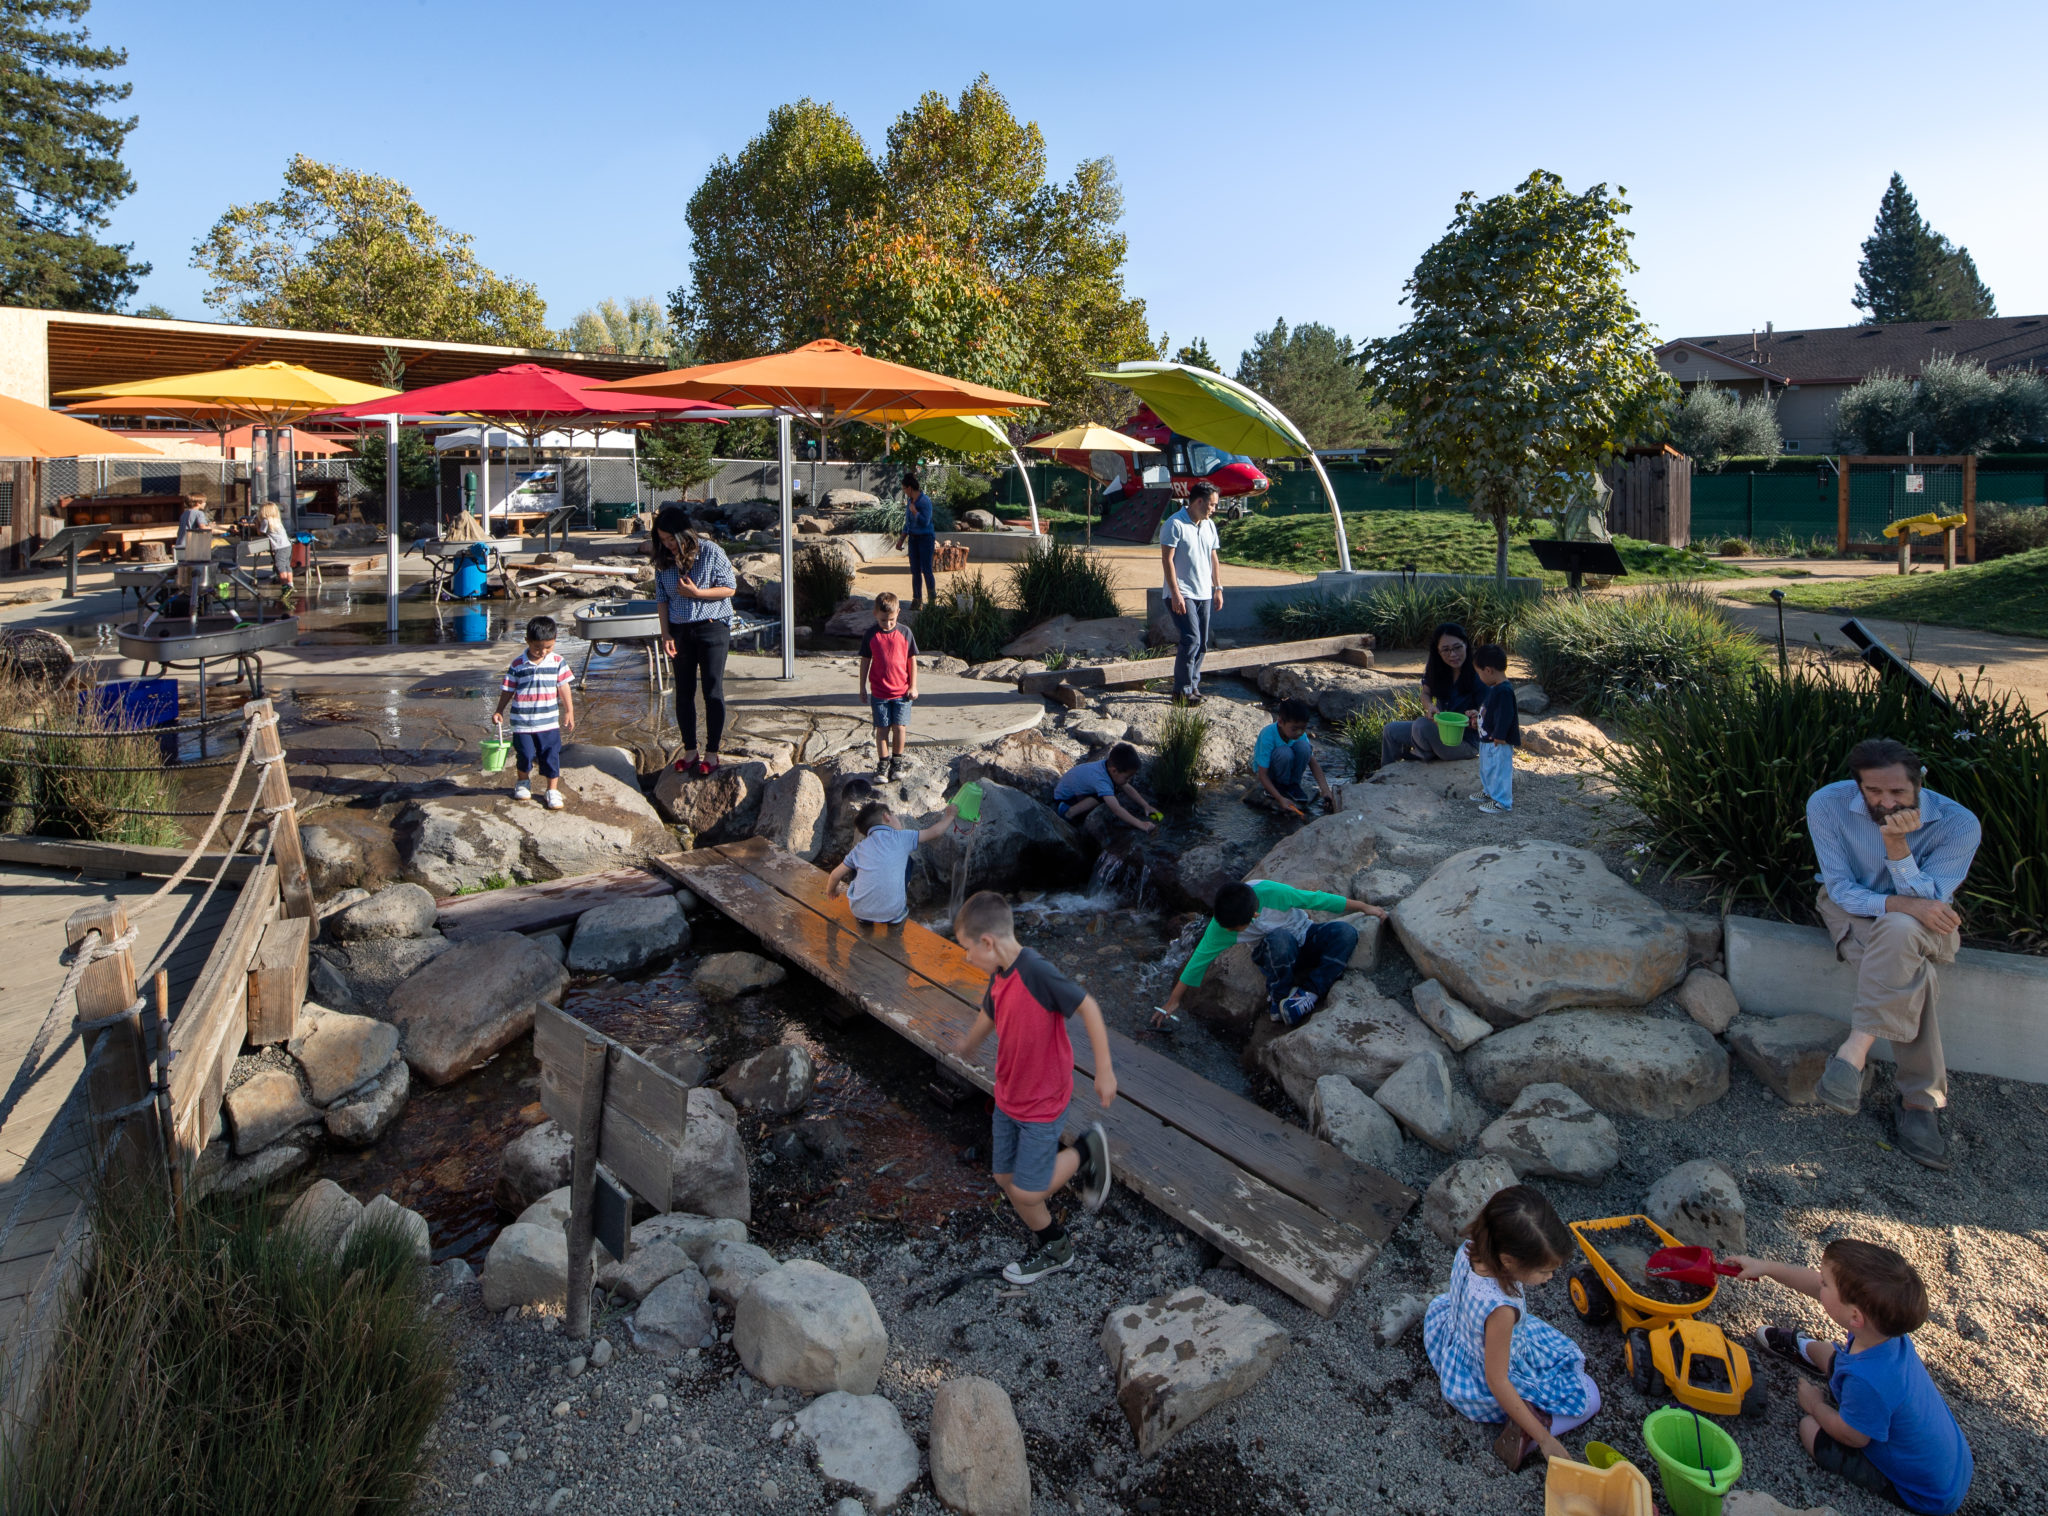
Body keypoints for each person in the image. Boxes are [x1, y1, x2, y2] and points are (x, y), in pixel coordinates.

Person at [1805, 738, 1981, 1170]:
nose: (1885, 802)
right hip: (1854, 911)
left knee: (1902, 931)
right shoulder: (1828, 804)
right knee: (1910, 971)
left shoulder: (1959, 824)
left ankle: (1852, 1054)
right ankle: (1920, 1104)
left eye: (1898, 793)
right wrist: (1901, 905)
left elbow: (1932, 903)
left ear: (1919, 784)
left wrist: (1897, 845)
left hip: (1928, 926)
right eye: (1873, 792)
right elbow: (1842, 888)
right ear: (1857, 785)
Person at [1728, 1240, 1972, 1514]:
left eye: (1826, 1284)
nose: (1819, 1283)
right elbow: (1815, 1285)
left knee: (1809, 1427)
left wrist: (1815, 1405)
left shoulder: (1868, 1381)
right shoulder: (1884, 1333)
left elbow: (1854, 1437)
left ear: (1855, 1316)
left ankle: (1821, 1400)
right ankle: (1806, 1349)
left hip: (1926, 1494)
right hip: (1955, 1464)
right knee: (1835, 1357)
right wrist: (1768, 1267)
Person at [951, 890, 1115, 1285]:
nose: (966, 957)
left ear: (988, 942)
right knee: (1004, 1179)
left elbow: (1089, 1007)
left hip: (1043, 1099)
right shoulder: (1000, 973)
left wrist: (1104, 1071)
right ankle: (1054, 1246)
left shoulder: (1036, 971)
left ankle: (1086, 1150)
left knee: (1027, 1192)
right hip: (1009, 1094)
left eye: (967, 949)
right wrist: (968, 1045)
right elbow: (990, 1011)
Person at [1423, 1185, 1600, 1473]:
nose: (1550, 1277)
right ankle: (1527, 1433)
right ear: (1509, 1261)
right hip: (1482, 1379)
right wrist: (1545, 1440)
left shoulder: (1475, 1246)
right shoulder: (1502, 1311)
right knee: (1590, 1396)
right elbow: (1497, 1380)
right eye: (1543, 1271)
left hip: (1455, 1335)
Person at [1151, 878, 1387, 1031]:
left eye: (1235, 929)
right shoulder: (1222, 925)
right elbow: (1198, 962)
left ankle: (1309, 994)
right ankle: (1279, 998)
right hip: (1275, 953)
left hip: (1305, 936)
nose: (1230, 932)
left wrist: (1364, 907)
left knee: (1345, 933)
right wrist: (1173, 1001)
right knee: (1279, 939)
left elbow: (1318, 899)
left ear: (1252, 915)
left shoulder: (1275, 893)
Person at [653, 505, 737, 778]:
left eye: (671, 539)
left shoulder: (711, 551)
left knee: (712, 691)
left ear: (684, 533)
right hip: (679, 631)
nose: (668, 545)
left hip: (711, 627)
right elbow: (662, 600)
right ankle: (690, 750)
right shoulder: (664, 560)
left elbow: (729, 587)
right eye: (662, 540)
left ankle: (712, 753)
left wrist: (697, 593)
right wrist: (665, 634)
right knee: (683, 692)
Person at [826, 799, 959, 927]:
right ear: (887, 817)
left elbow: (835, 875)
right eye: (894, 815)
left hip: (859, 911)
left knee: (855, 866)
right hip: (892, 912)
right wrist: (950, 816)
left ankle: (865, 919)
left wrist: (832, 891)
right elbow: (935, 832)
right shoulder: (902, 837)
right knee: (908, 861)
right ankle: (894, 919)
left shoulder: (859, 848)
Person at [493, 615, 575, 809]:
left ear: (555, 640)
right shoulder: (517, 664)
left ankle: (552, 790)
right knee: (525, 753)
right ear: (527, 641)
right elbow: (508, 689)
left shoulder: (557, 662)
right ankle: (523, 782)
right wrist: (499, 710)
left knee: (551, 755)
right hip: (522, 722)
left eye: (548, 647)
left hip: (548, 722)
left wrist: (569, 711)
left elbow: (564, 688)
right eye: (537, 647)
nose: (543, 652)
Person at [1380, 621, 1484, 767]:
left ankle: (1423, 755)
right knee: (1390, 730)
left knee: (1421, 725)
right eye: (1446, 650)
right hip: (1439, 730)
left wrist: (1476, 717)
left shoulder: (1479, 673)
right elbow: (1426, 693)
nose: (1453, 654)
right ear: (1437, 651)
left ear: (1466, 644)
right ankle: (1386, 773)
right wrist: (1429, 707)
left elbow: (1491, 711)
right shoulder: (1437, 668)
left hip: (1465, 742)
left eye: (1457, 647)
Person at [1159, 481, 1223, 705]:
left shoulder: (1209, 525)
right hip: (1182, 592)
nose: (1214, 509)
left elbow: (1213, 558)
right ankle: (1181, 691)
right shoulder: (1174, 524)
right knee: (1191, 639)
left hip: (1204, 592)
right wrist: (1175, 593)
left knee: (1202, 642)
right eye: (1212, 505)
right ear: (1198, 501)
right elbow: (1167, 560)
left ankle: (1193, 687)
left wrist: (1218, 588)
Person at [858, 591, 920, 779]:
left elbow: (912, 661)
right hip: (879, 693)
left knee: (900, 726)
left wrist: (913, 686)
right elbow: (865, 661)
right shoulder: (871, 635)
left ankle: (897, 761)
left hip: (902, 692)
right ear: (875, 614)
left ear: (898, 613)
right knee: (882, 728)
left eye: (891, 620)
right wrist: (862, 687)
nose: (888, 624)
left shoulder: (905, 633)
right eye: (884, 620)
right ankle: (883, 763)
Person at [1249, 698, 1334, 816]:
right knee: (1284, 753)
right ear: (1280, 722)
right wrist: (1279, 798)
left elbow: (1313, 763)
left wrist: (1325, 790)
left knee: (1305, 747)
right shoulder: (1268, 735)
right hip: (1271, 773)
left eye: (1303, 728)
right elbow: (1262, 774)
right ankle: (1280, 787)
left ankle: (1293, 785)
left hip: (1286, 768)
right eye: (1294, 729)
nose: (1299, 733)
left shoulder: (1299, 734)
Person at [1050, 742, 1156, 833]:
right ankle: (1069, 813)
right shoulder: (1101, 780)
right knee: (1103, 797)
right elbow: (1116, 809)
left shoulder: (1107, 767)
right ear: (1114, 770)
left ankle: (1077, 810)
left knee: (1112, 790)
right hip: (1064, 799)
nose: (1128, 780)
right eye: (1127, 777)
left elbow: (1126, 787)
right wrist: (1141, 824)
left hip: (1071, 789)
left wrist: (1146, 805)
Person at [1470, 645, 1520, 814]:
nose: (1479, 677)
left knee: (1499, 770)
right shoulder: (1495, 689)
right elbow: (1490, 711)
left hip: (1498, 741)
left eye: (1479, 673)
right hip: (1487, 740)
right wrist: (1479, 717)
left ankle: (1502, 801)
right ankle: (1489, 791)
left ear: (1488, 670)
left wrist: (1499, 734)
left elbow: (1506, 714)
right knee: (1487, 768)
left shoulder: (1504, 691)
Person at [895, 472, 938, 609]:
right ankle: (917, 599)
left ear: (909, 488)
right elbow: (908, 523)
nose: (904, 491)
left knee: (926, 569)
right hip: (913, 539)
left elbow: (926, 522)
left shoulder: (925, 501)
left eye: (904, 489)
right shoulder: (910, 501)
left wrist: (915, 513)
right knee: (915, 570)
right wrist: (901, 539)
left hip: (925, 539)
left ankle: (932, 600)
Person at [256, 500, 294, 588]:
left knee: (280, 566)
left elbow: (260, 533)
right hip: (287, 546)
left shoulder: (266, 521)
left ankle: (285, 586)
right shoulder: (277, 520)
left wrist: (257, 524)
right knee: (287, 565)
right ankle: (290, 584)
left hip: (279, 548)